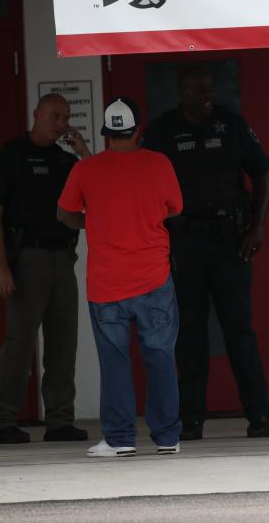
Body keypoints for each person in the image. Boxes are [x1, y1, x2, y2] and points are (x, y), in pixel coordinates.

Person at [143, 64, 269, 440]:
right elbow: (145, 185)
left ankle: (259, 415)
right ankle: (191, 419)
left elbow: (262, 172)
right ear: (182, 93)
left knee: (239, 331)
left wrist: (257, 226)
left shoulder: (231, 124)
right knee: (190, 335)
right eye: (199, 91)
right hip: (185, 243)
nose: (207, 97)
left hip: (230, 241)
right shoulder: (162, 131)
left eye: (210, 89)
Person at [58, 98, 183, 457]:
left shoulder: (86, 170)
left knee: (114, 360)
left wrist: (92, 222)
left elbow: (65, 215)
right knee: (160, 356)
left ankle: (120, 439)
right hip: (154, 279)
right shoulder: (159, 164)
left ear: (105, 133)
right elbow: (175, 208)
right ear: (137, 131)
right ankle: (167, 437)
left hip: (107, 284)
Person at [0, 93, 91, 444]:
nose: (61, 124)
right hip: (26, 258)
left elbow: (96, 194)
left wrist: (83, 153)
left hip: (63, 257)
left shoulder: (66, 162)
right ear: (37, 114)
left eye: (66, 117)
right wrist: (1, 265)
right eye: (55, 117)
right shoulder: (11, 155)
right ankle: (2, 420)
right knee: (20, 342)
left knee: (63, 343)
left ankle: (60, 420)